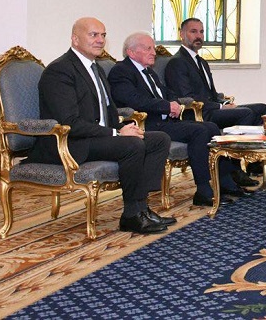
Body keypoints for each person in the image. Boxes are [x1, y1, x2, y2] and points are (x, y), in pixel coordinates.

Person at [27, 18, 173, 234]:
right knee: (132, 145)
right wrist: (116, 133)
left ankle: (142, 206)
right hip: (71, 143)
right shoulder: (60, 70)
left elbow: (108, 113)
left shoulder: (96, 69)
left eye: (103, 35)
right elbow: (69, 122)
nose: (100, 40)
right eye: (93, 35)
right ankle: (131, 215)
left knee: (159, 139)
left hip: (98, 137)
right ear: (75, 39)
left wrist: (125, 127)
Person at [107, 32, 254, 207]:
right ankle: (203, 191)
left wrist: (174, 103)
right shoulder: (121, 71)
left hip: (166, 121)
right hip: (149, 125)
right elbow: (134, 100)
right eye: (148, 48)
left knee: (211, 127)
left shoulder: (149, 72)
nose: (153, 52)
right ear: (131, 52)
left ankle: (224, 181)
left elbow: (167, 93)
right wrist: (166, 106)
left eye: (153, 48)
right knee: (199, 131)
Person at [165, 17, 266, 177]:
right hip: (199, 114)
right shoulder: (177, 62)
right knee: (245, 113)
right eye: (193, 31)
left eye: (201, 32)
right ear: (182, 34)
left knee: (261, 108)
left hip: (213, 108)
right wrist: (220, 107)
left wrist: (224, 102)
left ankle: (255, 164)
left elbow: (212, 94)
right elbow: (187, 98)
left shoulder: (201, 62)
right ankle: (235, 171)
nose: (199, 36)